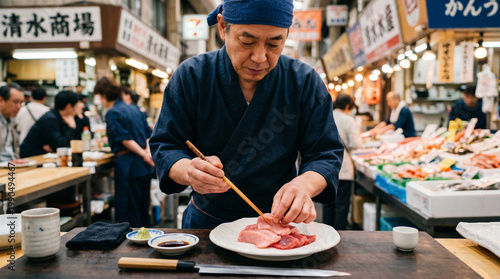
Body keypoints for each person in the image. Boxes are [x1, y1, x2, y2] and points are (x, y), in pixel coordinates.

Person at [149, 0, 344, 229]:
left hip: (279, 224)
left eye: (274, 44)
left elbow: (325, 154)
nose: (260, 57)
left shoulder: (304, 82)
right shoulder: (191, 76)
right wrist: (189, 170)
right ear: (223, 27)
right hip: (206, 225)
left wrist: (304, 185)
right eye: (247, 41)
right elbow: (166, 145)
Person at [94, 77, 154, 227]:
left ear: (103, 94)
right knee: (142, 208)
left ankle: (131, 248)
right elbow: (149, 134)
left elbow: (125, 140)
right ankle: (145, 243)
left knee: (128, 212)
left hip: (129, 166)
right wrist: (147, 153)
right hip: (144, 166)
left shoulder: (112, 112)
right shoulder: (135, 108)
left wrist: (143, 154)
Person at [323, 94, 362, 230]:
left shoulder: (326, 115)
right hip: (343, 167)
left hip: (325, 168)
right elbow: (355, 144)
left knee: (328, 204)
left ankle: (326, 234)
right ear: (347, 106)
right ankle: (339, 236)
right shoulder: (348, 120)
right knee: (341, 205)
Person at [20, 91, 79, 157]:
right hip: (30, 156)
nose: (77, 109)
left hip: (42, 155)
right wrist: (71, 127)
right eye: (76, 106)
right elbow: (61, 146)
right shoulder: (50, 119)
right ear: (69, 107)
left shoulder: (60, 117)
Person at [0, 84, 24, 161]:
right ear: (1, 100)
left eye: (21, 103)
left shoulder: (12, 121)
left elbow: (15, 148)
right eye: (16, 102)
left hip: (11, 167)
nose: (19, 107)